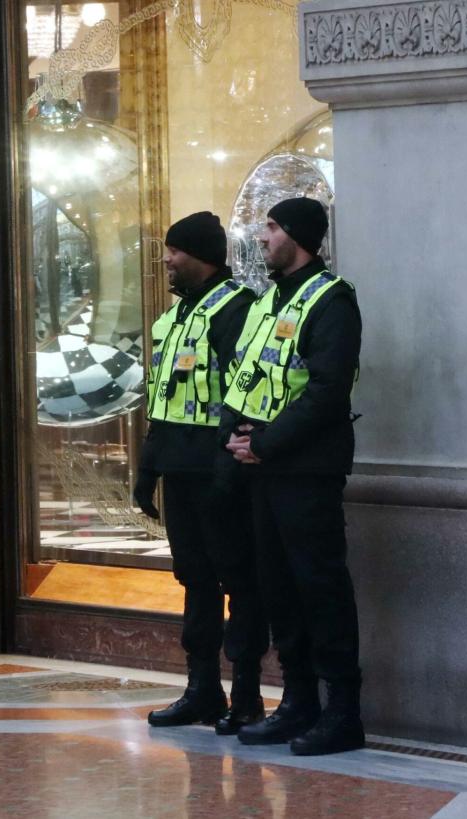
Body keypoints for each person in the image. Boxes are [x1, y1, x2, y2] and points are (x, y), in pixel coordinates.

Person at [218, 197, 365, 756]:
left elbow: (328, 391)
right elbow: (244, 375)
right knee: (279, 589)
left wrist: (267, 443)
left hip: (305, 469)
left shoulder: (332, 301)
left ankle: (342, 713)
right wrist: (235, 435)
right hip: (260, 468)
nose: (262, 236)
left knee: (319, 587)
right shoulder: (266, 302)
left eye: (273, 227)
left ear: (298, 236)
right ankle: (298, 702)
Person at [135, 211, 269, 734]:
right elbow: (161, 400)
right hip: (179, 471)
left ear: (202, 256)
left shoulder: (237, 310)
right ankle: (202, 689)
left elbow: (246, 392)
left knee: (239, 579)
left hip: (221, 473)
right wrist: (148, 470)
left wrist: (227, 467)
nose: (166, 259)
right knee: (194, 579)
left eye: (175, 250)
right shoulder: (171, 319)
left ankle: (248, 694)